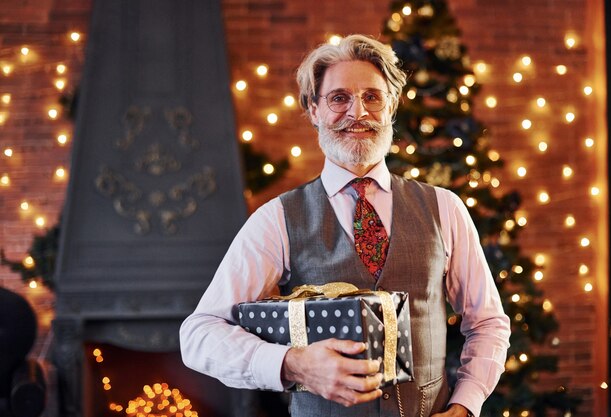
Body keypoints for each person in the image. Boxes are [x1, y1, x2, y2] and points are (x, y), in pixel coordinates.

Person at [180, 34, 510, 417]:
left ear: (391, 108)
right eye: (339, 98)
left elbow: (488, 322)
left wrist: (465, 406)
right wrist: (291, 363)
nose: (358, 112)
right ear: (314, 110)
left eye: (372, 97)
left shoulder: (445, 208)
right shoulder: (276, 219)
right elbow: (199, 335)